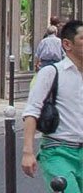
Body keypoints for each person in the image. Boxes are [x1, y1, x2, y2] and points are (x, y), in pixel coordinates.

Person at [23, 16, 83, 192]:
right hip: (58, 150)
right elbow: (32, 111)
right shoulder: (51, 72)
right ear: (67, 44)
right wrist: (28, 152)